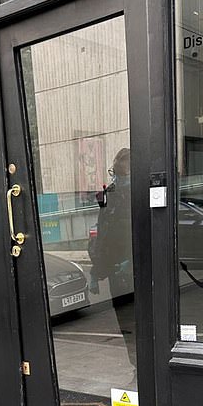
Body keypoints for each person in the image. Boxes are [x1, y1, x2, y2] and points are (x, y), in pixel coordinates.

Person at [89, 147, 136, 376]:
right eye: (114, 173)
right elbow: (103, 234)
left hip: (138, 272)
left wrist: (134, 261)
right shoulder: (111, 196)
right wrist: (95, 271)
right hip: (117, 272)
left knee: (143, 323)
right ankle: (137, 368)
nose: (117, 178)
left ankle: (146, 371)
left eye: (123, 175)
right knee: (126, 324)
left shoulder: (141, 195)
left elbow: (150, 233)